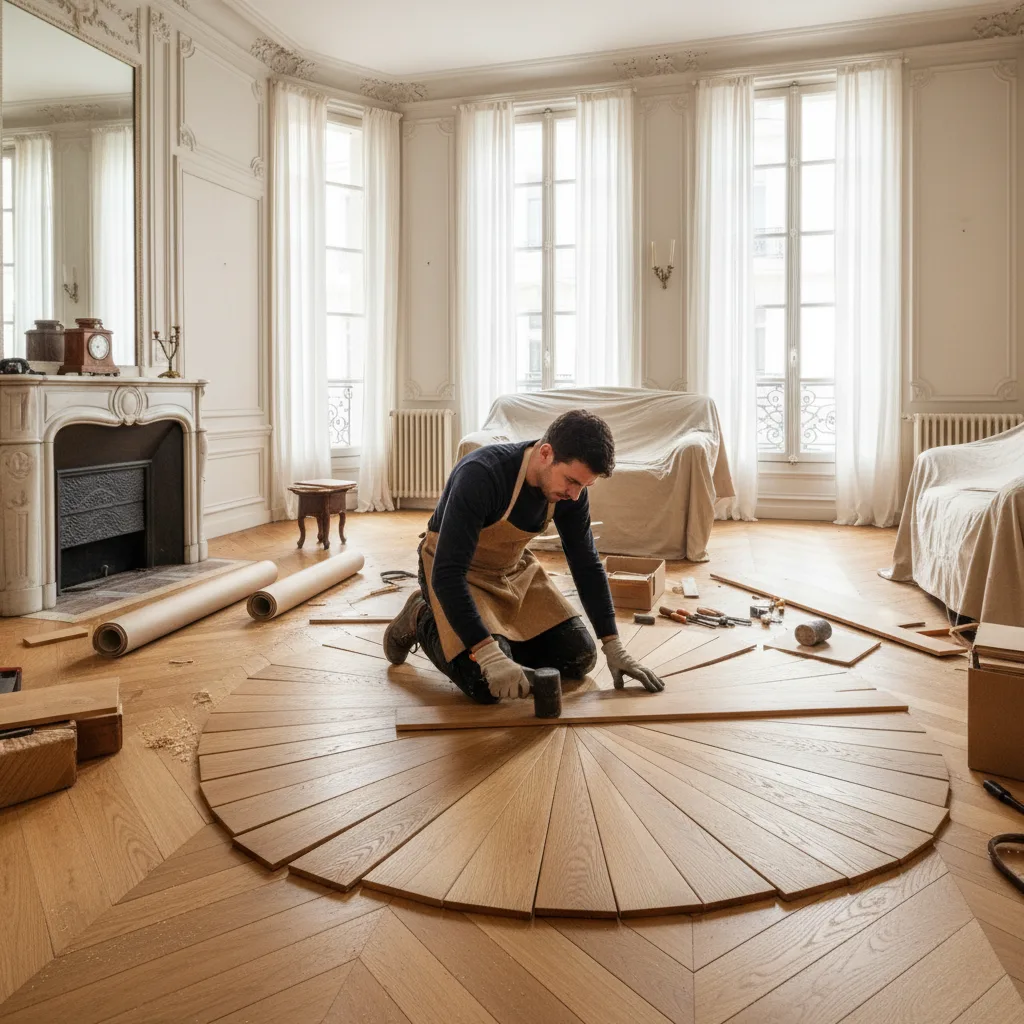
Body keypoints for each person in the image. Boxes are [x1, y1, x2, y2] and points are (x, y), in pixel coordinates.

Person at [383, 409, 665, 703]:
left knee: (579, 657)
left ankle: (500, 641)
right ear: (545, 453)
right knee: (485, 684)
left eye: (585, 486)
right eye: (571, 481)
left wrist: (612, 644)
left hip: (512, 572)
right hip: (456, 575)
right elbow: (447, 574)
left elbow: (586, 564)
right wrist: (489, 654)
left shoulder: (568, 492)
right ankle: (420, 616)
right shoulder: (482, 474)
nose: (575, 495)